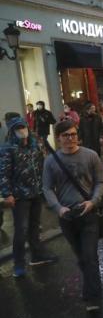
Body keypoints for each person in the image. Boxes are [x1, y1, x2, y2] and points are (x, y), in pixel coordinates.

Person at [42, 120, 103, 311]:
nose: (70, 138)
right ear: (59, 138)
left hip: (89, 214)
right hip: (67, 217)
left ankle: (93, 297)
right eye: (66, 135)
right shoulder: (51, 160)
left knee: (89, 255)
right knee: (80, 256)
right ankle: (92, 285)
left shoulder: (91, 155)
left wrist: (93, 201)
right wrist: (58, 208)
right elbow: (46, 188)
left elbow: (100, 182)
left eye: (73, 134)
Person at [0, 118, 57, 278]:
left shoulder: (34, 145)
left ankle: (37, 255)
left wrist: (46, 187)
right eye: (18, 128)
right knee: (21, 230)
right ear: (12, 131)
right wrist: (7, 194)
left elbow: (42, 166)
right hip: (19, 196)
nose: (21, 130)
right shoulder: (7, 149)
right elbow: (3, 173)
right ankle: (18, 264)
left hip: (36, 192)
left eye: (23, 127)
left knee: (34, 226)